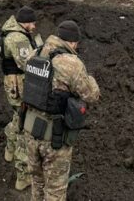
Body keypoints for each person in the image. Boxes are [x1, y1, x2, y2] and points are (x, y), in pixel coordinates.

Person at [23, 20, 100, 201]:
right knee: (55, 192)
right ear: (72, 42)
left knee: (37, 182)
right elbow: (91, 95)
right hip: (54, 138)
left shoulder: (35, 53)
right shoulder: (71, 63)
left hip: (30, 131)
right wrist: (90, 79)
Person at [0, 6, 44, 191]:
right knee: (26, 130)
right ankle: (23, 176)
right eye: (32, 23)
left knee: (18, 119)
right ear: (24, 22)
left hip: (14, 84)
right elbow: (28, 64)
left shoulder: (14, 31)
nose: (34, 26)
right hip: (19, 86)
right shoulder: (17, 38)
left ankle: (9, 150)